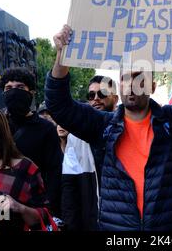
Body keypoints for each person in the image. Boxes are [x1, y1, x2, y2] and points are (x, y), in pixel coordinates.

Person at [45, 24, 172, 231]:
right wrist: (62, 56)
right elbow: (58, 105)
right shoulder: (102, 126)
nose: (132, 84)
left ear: (152, 86)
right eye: (125, 78)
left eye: (139, 77)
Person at [0, 66, 63, 219]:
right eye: (8, 88)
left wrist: (49, 212)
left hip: (29, 206)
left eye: (20, 87)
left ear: (31, 93)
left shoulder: (45, 128)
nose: (14, 91)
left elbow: (54, 173)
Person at [61, 75, 118, 231]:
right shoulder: (74, 137)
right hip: (93, 222)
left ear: (116, 98)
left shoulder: (129, 130)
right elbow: (69, 187)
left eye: (102, 94)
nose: (96, 99)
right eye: (91, 95)